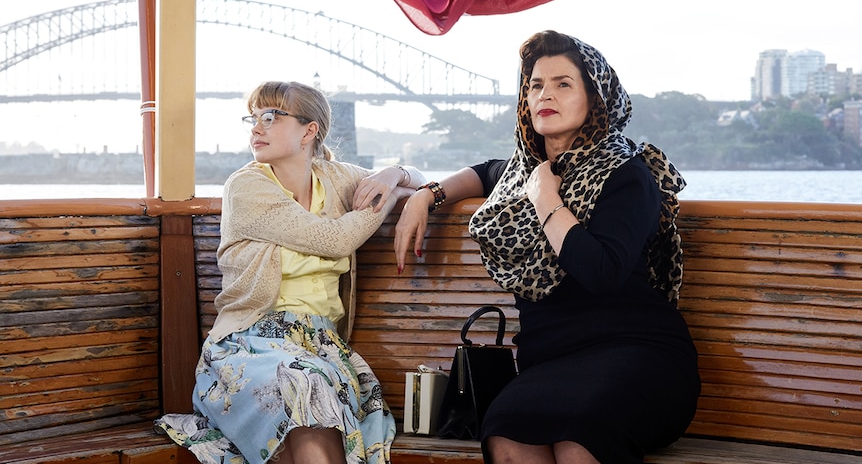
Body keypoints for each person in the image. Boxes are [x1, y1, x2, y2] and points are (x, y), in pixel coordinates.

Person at [394, 31, 701, 464]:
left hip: (638, 354)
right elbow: (484, 172)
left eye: (563, 83)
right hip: (552, 363)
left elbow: (601, 272)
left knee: (579, 441)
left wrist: (546, 199)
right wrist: (427, 195)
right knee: (506, 435)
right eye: (536, 84)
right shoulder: (522, 171)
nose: (545, 94)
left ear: (594, 98)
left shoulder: (626, 174)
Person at [156, 80, 425, 464]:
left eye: (270, 116)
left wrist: (392, 175)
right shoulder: (246, 186)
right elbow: (333, 240)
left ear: (309, 130)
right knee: (304, 389)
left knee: (310, 400)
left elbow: (418, 175)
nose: (256, 127)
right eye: (253, 117)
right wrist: (386, 202)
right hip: (250, 343)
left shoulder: (334, 179)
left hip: (323, 348)